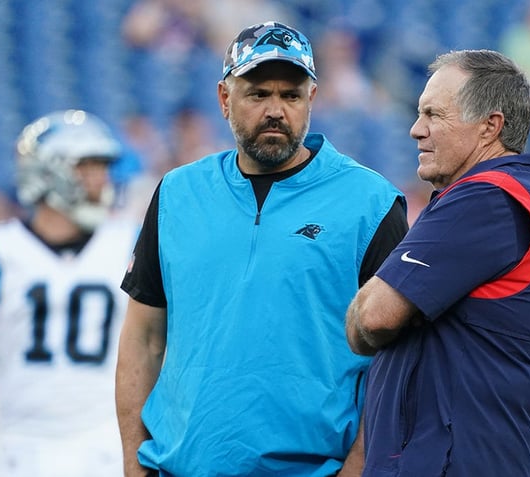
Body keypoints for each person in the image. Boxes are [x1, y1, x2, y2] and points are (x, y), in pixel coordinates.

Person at [115, 21, 407, 476]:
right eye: (258, 94)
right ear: (224, 99)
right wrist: (134, 467)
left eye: (290, 95)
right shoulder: (177, 193)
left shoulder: (370, 203)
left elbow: (397, 360)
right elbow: (143, 339)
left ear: (312, 99)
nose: (276, 110)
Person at [346, 49, 530, 476]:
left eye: (433, 115)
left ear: (490, 127)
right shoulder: (492, 198)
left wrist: (370, 309)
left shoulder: (488, 196)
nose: (415, 130)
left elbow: (373, 316)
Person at [0, 109, 139, 477]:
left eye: (102, 167)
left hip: (107, 446)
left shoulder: (129, 243)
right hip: (24, 450)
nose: (102, 180)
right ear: (49, 172)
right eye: (88, 167)